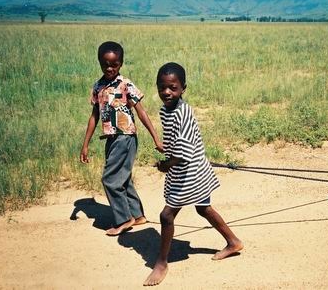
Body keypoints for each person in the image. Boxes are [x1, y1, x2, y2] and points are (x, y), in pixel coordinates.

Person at [143, 62, 243, 286]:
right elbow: (175, 141)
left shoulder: (183, 112)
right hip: (184, 168)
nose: (166, 92)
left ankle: (161, 263)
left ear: (183, 88)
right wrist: (167, 152)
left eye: (173, 87)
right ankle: (233, 242)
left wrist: (167, 164)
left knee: (166, 215)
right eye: (162, 87)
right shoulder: (165, 110)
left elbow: (185, 151)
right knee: (203, 208)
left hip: (190, 171)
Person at [80, 41, 163, 236]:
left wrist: (156, 139)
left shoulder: (126, 85)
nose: (109, 68)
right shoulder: (98, 86)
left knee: (110, 179)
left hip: (125, 137)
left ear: (121, 63)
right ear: (100, 62)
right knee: (122, 178)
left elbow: (141, 113)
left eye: (114, 64)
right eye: (105, 64)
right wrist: (85, 145)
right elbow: (94, 117)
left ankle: (124, 219)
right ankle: (137, 214)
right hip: (111, 138)